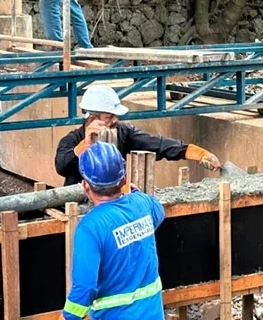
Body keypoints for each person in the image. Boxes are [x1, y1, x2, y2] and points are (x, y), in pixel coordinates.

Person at [62, 141, 166, 320]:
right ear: (123, 179)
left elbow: (85, 288)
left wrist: (67, 317)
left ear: (85, 185)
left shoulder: (90, 228)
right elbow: (158, 213)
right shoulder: (143, 203)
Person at [55, 85, 221, 186]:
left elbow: (157, 144)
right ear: (92, 118)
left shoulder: (122, 132)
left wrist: (198, 153)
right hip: (81, 208)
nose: (115, 120)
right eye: (109, 117)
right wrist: (85, 145)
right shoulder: (71, 141)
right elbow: (62, 166)